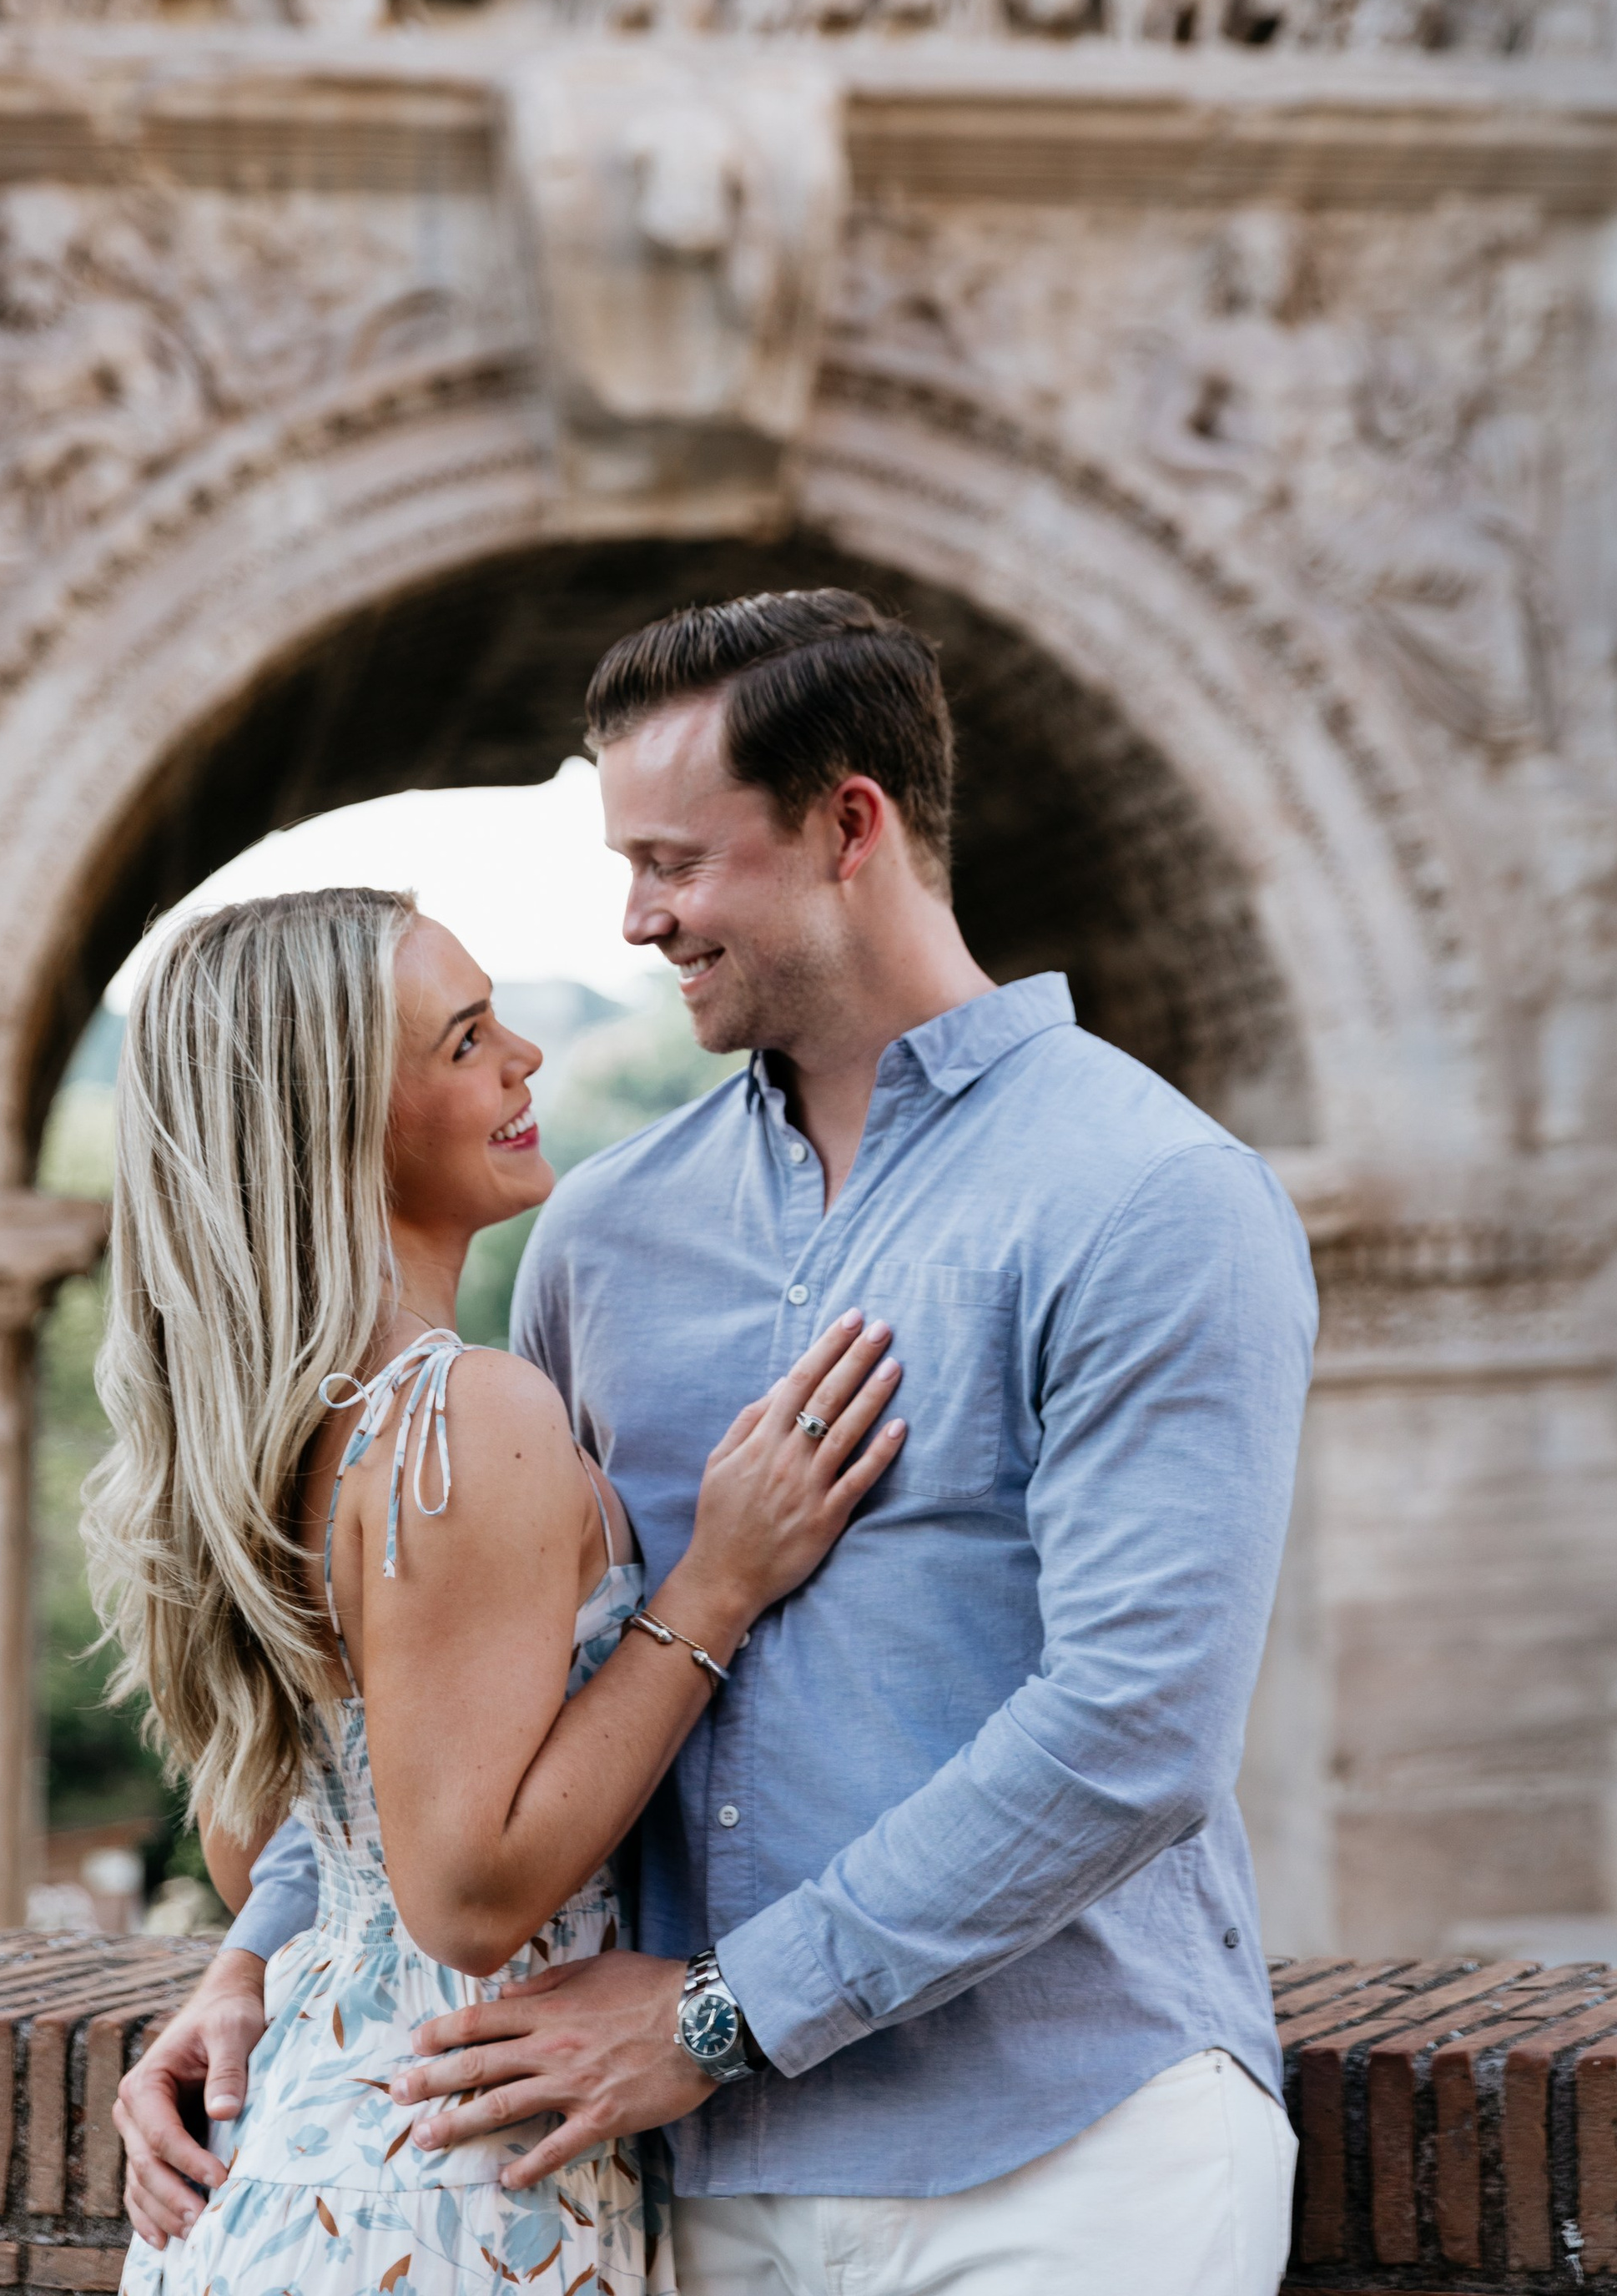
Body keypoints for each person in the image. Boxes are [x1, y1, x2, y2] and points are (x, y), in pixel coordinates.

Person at [117, 592, 1319, 2296]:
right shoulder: (602, 1235)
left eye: (674, 861)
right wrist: (255, 1953)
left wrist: (720, 2014)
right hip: (690, 2183)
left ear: (848, 828)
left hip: (1067, 2154)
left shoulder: (1150, 1196)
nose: (633, 921)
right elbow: (461, 1682)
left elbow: (1133, 1726)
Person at [91, 882, 904, 2296]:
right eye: (465, 1041)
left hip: (299, 2169)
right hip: (457, 2194)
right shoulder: (464, 1413)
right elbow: (465, 1898)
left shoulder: (270, 1438)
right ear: (340, 1120)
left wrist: (239, 1964)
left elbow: (261, 1850)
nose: (524, 1056)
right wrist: (715, 1583)